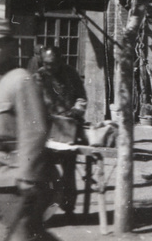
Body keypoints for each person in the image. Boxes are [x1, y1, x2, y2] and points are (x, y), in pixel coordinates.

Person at [0, 17, 53, 241]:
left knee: (23, 236)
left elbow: (35, 130)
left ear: (10, 46)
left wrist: (27, 175)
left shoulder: (21, 80)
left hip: (11, 177)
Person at [35, 46, 87, 216]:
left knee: (69, 169)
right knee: (44, 170)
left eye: (53, 64)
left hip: (68, 128)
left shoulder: (71, 74)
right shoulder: (39, 76)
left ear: (61, 60)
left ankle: (69, 207)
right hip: (46, 129)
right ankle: (43, 207)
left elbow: (81, 97)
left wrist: (77, 109)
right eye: (47, 64)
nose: (50, 67)